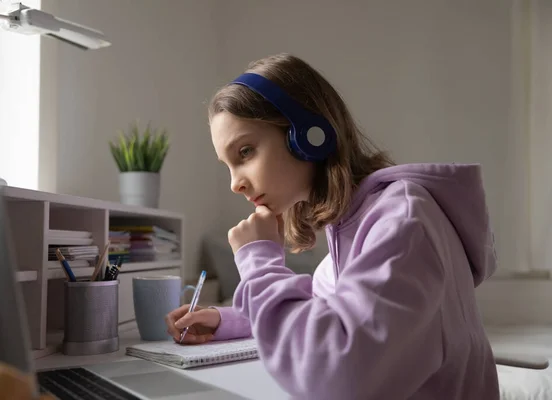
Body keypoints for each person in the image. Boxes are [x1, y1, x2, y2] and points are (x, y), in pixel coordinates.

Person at [165, 53, 500, 399]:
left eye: (246, 151)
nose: (236, 183)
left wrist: (259, 263)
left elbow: (335, 373)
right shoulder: (354, 227)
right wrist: (227, 321)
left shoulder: (403, 221)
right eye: (228, 165)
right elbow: (325, 307)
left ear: (309, 135)